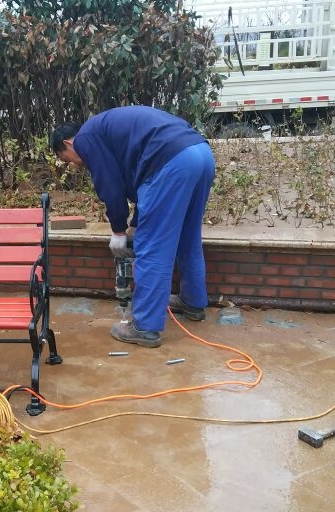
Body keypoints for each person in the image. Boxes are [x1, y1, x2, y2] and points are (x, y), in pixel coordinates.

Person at [50, 106, 216, 348]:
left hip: (171, 164)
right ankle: (193, 303)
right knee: (187, 237)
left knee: (153, 248)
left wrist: (118, 231)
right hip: (199, 154)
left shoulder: (85, 138)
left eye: (67, 159)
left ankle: (145, 327)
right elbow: (144, 186)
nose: (75, 165)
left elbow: (111, 187)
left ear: (68, 143)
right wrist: (135, 224)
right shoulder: (108, 131)